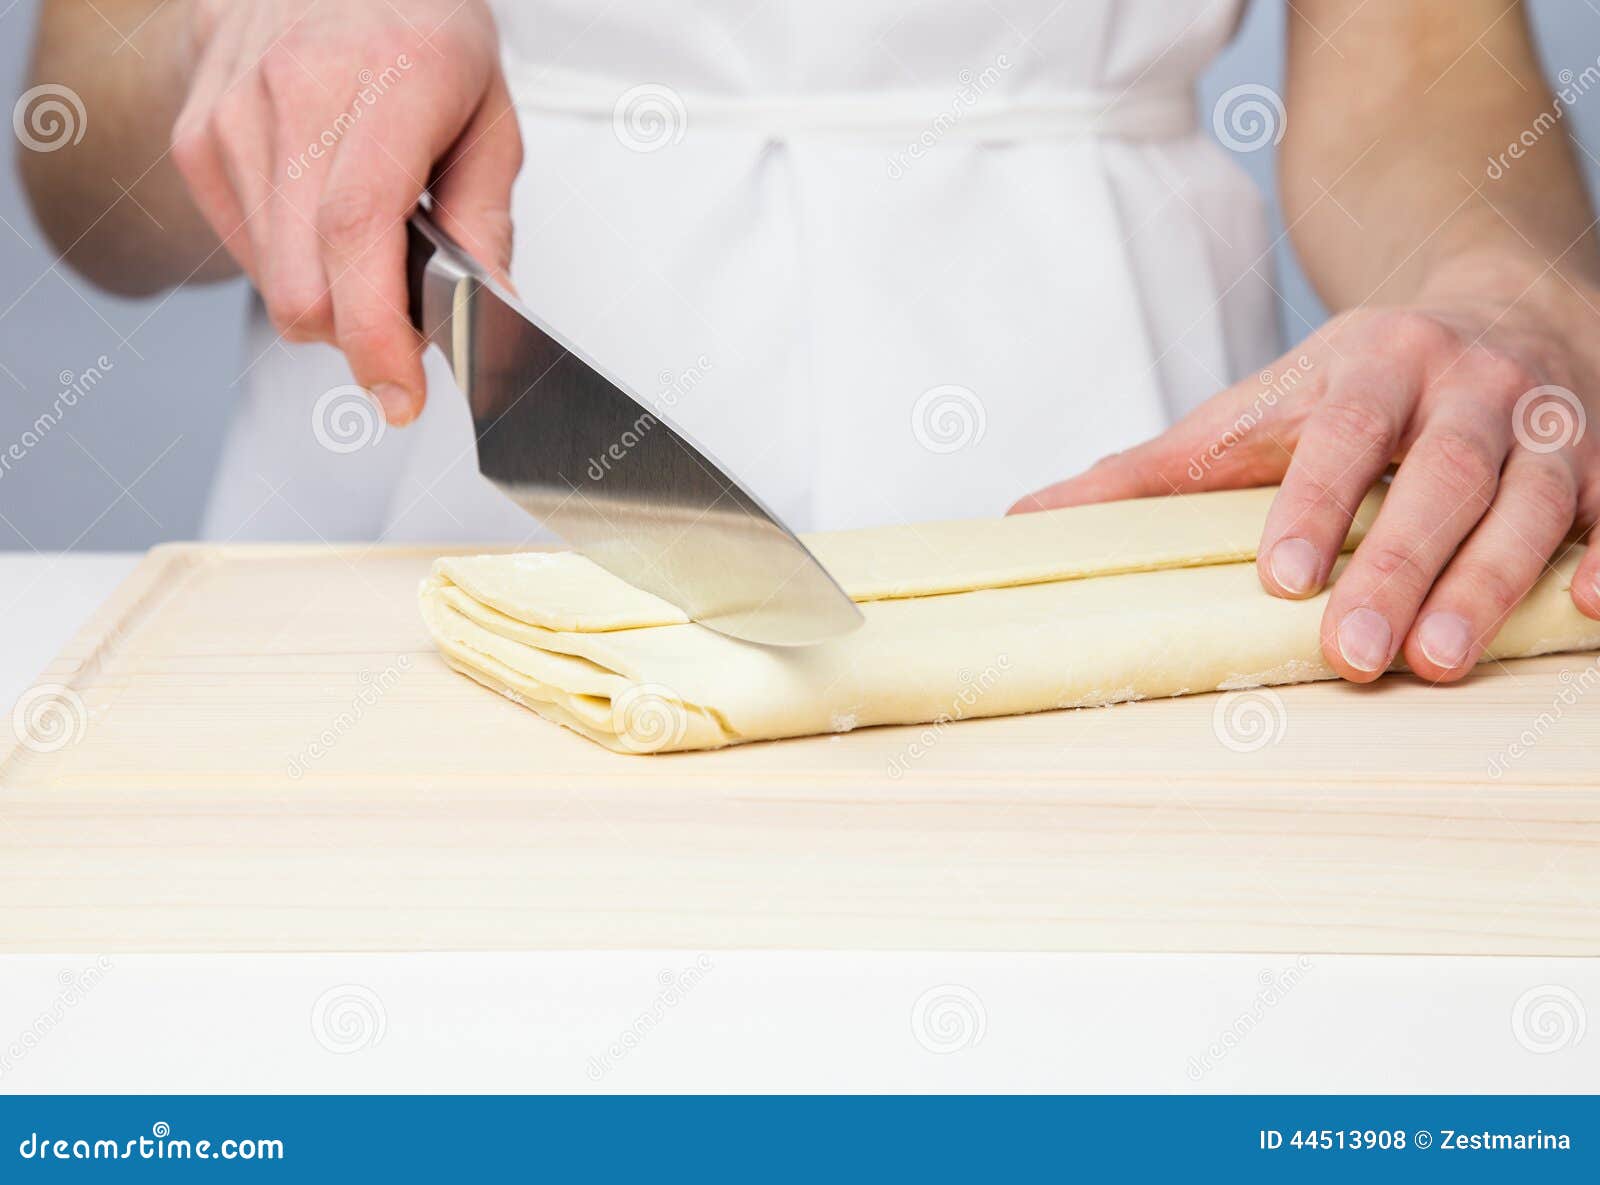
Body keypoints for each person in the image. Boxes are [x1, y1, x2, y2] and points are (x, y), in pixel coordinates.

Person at [20, 0, 1600, 686]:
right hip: (394, 535)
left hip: (1121, 491)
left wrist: (1512, 306)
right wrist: (256, 42)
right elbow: (81, 158)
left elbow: (1417, 83)